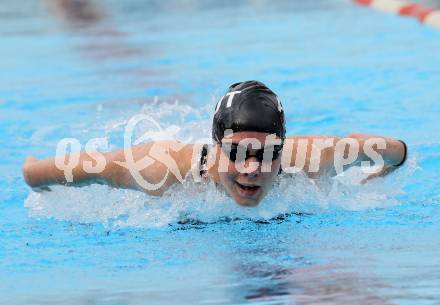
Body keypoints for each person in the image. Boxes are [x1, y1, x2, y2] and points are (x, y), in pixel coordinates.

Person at [22, 81, 407, 207]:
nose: (252, 169)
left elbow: (394, 149)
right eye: (237, 153)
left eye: (268, 154)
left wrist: (376, 177)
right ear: (217, 146)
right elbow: (57, 171)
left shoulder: (311, 159)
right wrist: (30, 170)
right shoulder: (161, 170)